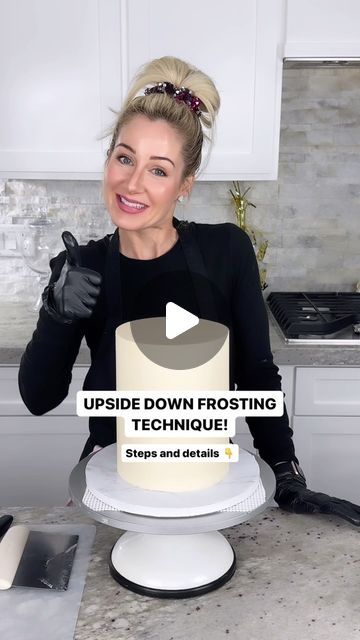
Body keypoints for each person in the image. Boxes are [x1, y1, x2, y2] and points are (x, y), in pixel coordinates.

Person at [18, 56, 360, 526]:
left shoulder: (226, 252)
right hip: (112, 475)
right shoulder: (83, 267)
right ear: (109, 160)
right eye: (124, 157)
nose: (132, 182)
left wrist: (286, 470)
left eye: (159, 170)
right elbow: (38, 398)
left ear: (185, 185)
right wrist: (57, 314)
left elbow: (258, 373)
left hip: (208, 474)